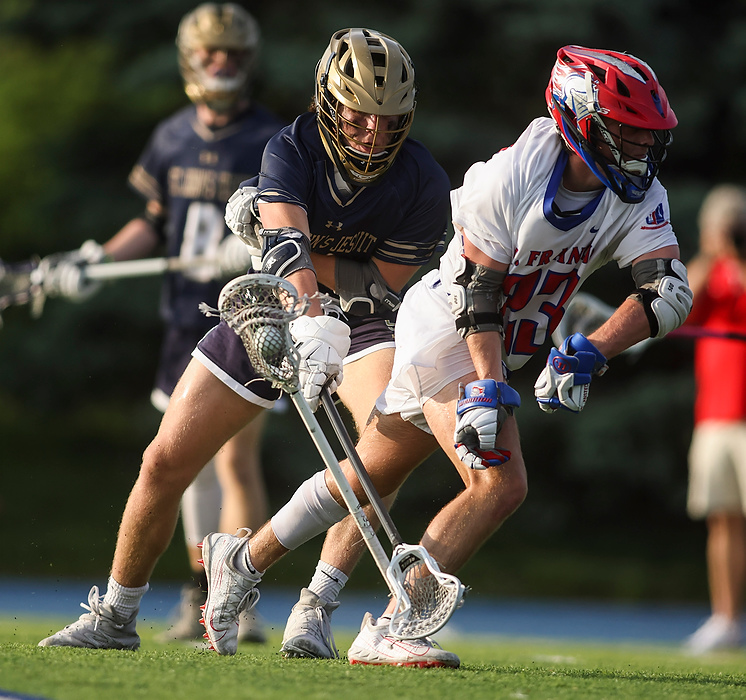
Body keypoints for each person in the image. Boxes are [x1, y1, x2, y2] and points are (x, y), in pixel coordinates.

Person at [195, 44, 692, 668]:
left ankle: (240, 562)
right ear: (581, 118)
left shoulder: (636, 191)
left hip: (496, 346)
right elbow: (480, 294)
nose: (641, 151)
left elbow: (666, 291)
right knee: (499, 485)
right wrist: (486, 386)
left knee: (368, 475)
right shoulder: (517, 171)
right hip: (449, 326)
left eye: (648, 138)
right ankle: (398, 626)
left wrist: (591, 350)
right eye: (628, 134)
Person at [37, 27, 450, 653]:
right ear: (329, 103)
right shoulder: (290, 146)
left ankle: (316, 605)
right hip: (273, 307)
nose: (372, 132)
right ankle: (116, 616)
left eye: (388, 120)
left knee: (379, 461)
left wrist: (306, 273)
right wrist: (304, 296)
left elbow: (376, 284)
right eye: (359, 115)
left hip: (368, 319)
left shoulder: (421, 179)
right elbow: (287, 249)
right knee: (164, 460)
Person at [39, 3, 285, 643]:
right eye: (212, 53)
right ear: (191, 58)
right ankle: (203, 597)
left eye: (233, 54)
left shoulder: (270, 137)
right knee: (188, 466)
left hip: (246, 314)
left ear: (248, 59)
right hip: (183, 320)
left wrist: (259, 241)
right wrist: (95, 259)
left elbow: (292, 220)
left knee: (236, 461)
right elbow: (152, 222)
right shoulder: (173, 135)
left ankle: (242, 603)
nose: (222, 63)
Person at [682, 184, 746, 654]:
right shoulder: (711, 271)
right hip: (716, 417)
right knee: (722, 520)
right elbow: (684, 300)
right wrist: (713, 252)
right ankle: (725, 618)